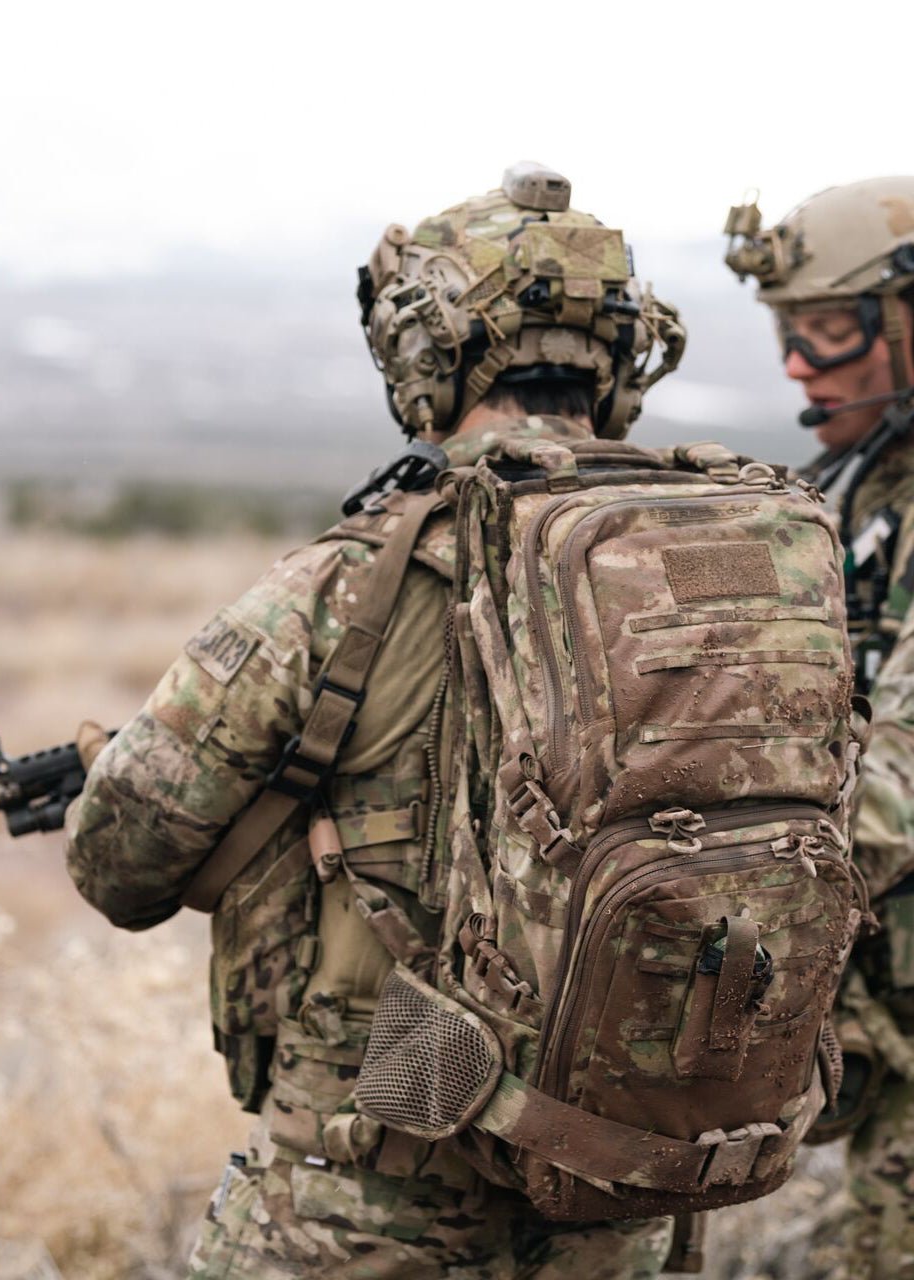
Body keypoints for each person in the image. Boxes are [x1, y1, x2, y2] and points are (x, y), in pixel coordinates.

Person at [61, 164, 691, 1279]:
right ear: (623, 356)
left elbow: (121, 862)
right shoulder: (706, 568)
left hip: (366, 1199)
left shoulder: (355, 579)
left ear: (423, 357)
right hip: (610, 1197)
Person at [725, 176, 914, 1280]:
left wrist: (737, 891)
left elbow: (897, 783)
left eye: (830, 328)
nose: (799, 365)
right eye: (786, 333)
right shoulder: (863, 489)